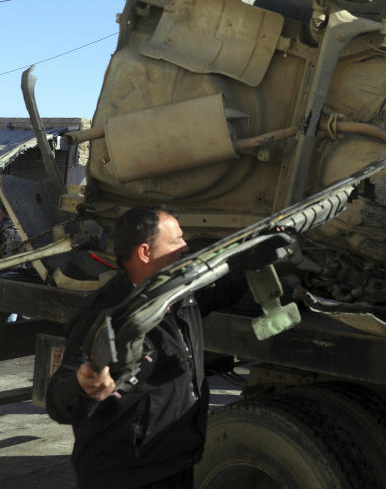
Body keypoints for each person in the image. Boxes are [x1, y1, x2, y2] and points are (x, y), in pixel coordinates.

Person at [46, 206, 248, 488]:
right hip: (126, 473)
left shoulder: (180, 294)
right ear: (145, 252)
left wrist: (255, 258)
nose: (185, 246)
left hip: (176, 459)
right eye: (176, 240)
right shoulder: (105, 314)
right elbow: (57, 399)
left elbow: (224, 289)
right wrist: (83, 386)